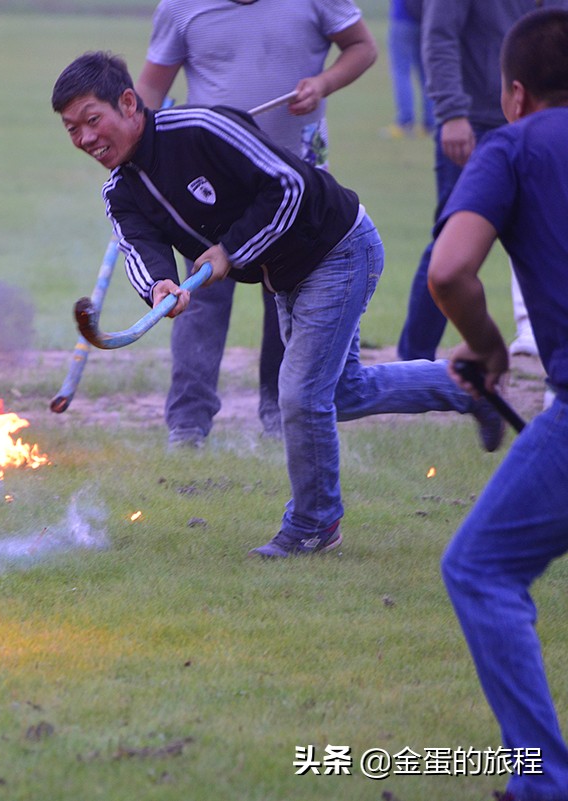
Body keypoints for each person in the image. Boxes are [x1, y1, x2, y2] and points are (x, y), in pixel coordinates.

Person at [51, 51, 502, 558]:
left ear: (129, 103)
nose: (85, 138)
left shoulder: (201, 127)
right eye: (72, 129)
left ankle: (314, 524)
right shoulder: (121, 192)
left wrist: (230, 250)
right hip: (287, 274)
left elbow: (290, 185)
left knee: (302, 395)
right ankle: (472, 388)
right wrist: (160, 287)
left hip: (337, 246)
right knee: (343, 393)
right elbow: (139, 246)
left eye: (93, 120)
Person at [132, 0, 377, 447]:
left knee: (286, 292)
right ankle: (188, 422)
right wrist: (136, 160)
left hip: (294, 181)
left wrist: (324, 83)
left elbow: (363, 46)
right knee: (199, 296)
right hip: (206, 184)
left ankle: (279, 411)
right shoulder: (181, 7)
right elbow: (149, 87)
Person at [430, 9, 568, 799]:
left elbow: (449, 270)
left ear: (513, 94)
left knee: (481, 569)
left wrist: (485, 346)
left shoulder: (511, 145)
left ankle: (542, 784)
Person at [396, 0, 563, 363]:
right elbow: (439, 36)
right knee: (452, 240)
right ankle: (415, 358)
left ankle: (547, 350)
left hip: (549, 119)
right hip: (479, 121)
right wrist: (452, 112)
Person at [382, 0, 434, 139]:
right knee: (427, 74)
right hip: (427, 19)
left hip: (403, 19)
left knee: (401, 72)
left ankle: (405, 121)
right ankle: (430, 123)